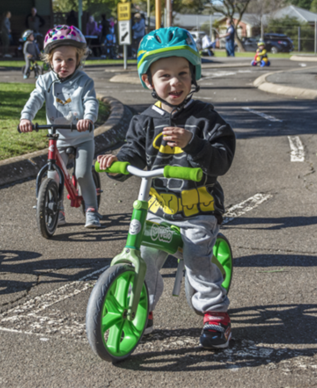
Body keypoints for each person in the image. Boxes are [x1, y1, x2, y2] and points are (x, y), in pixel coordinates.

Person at [97, 26, 236, 349]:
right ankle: (140, 309)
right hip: (159, 208)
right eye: (165, 75)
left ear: (193, 75)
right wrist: (115, 162)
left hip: (198, 210)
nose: (175, 82)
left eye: (183, 73)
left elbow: (221, 160)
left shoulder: (205, 118)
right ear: (148, 81)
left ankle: (216, 316)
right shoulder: (144, 120)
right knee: (144, 256)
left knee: (196, 257)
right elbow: (132, 153)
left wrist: (194, 143)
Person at [18, 25, 101, 228]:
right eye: (58, 59)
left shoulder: (84, 81)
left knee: (82, 173)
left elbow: (91, 102)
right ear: (50, 59)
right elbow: (35, 100)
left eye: (70, 60)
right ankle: (58, 209)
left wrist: (88, 119)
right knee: (53, 175)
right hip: (58, 137)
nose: (64, 64)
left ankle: (91, 209)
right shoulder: (44, 81)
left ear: (78, 59)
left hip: (82, 137)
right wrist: (26, 118)